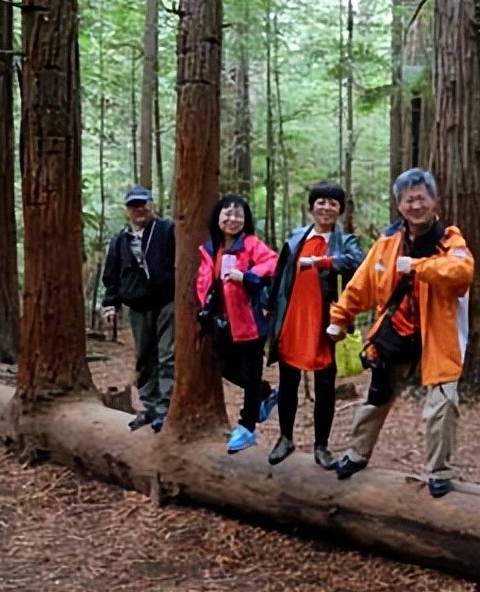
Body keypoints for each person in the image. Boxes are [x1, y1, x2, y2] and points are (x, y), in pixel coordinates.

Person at [325, 169, 473, 498]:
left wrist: (419, 267)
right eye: (409, 200)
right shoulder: (388, 243)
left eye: (422, 198)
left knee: (442, 404)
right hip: (395, 333)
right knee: (377, 397)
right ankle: (356, 453)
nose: (416, 205)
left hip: (438, 336)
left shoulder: (449, 240)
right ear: (399, 204)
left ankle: (438, 471)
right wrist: (341, 316)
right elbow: (361, 284)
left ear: (434, 200)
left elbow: (461, 272)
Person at [262, 182, 364, 468]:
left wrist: (323, 262)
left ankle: (321, 446)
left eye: (333, 203)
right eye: (321, 202)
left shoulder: (346, 242)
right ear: (311, 207)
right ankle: (285, 438)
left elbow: (357, 263)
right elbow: (281, 273)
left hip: (325, 322)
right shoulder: (297, 238)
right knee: (288, 382)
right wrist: (270, 304)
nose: (326, 208)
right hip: (292, 318)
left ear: (340, 210)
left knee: (325, 386)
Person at [195, 194, 279, 454]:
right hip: (221, 322)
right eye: (227, 214)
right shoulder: (211, 248)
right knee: (225, 368)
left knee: (251, 373)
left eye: (238, 215)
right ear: (218, 217)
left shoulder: (250, 244)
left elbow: (273, 262)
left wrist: (248, 276)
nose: (232, 219)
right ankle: (265, 394)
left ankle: (247, 427)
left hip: (249, 321)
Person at [101, 185, 176, 433]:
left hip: (166, 303)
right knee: (145, 357)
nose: (139, 209)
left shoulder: (166, 230)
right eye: (134, 205)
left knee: (167, 355)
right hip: (137, 306)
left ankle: (166, 408)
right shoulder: (120, 240)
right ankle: (149, 406)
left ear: (150, 204)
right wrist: (110, 305)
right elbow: (111, 276)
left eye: (142, 204)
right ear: (128, 210)